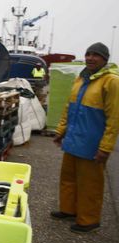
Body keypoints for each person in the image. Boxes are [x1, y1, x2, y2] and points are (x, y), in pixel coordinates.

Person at [51, 42, 119, 233]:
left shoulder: (111, 81)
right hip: (73, 139)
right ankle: (69, 209)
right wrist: (60, 131)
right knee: (68, 177)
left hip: (92, 143)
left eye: (95, 55)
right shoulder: (81, 79)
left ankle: (88, 220)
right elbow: (68, 107)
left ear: (105, 59)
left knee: (90, 184)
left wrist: (105, 147)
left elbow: (115, 118)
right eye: (88, 54)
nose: (90, 58)